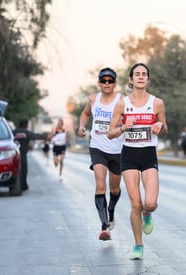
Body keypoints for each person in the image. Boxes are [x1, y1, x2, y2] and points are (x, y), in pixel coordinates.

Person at [107, 63, 168, 260]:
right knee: (135, 203)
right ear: (131, 80)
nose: (141, 77)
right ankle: (138, 245)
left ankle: (147, 214)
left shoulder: (157, 103)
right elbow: (110, 133)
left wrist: (159, 124)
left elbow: (165, 127)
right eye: (137, 74)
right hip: (129, 156)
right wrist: (124, 127)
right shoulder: (122, 104)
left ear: (148, 80)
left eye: (144, 74)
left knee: (149, 203)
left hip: (149, 155)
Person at [77, 67, 124, 241]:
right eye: (103, 81)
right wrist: (82, 126)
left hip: (117, 149)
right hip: (97, 147)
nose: (106, 84)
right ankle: (104, 226)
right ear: (99, 83)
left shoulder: (122, 101)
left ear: (114, 83)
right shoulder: (93, 99)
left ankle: (111, 210)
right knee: (100, 185)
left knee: (114, 188)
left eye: (110, 81)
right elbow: (85, 113)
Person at [13, 118, 47, 191]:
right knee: (24, 170)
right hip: (22, 154)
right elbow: (36, 136)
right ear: (25, 125)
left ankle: (18, 184)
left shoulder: (13, 132)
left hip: (13, 154)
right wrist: (46, 136)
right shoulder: (26, 132)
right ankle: (24, 185)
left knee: (15, 170)